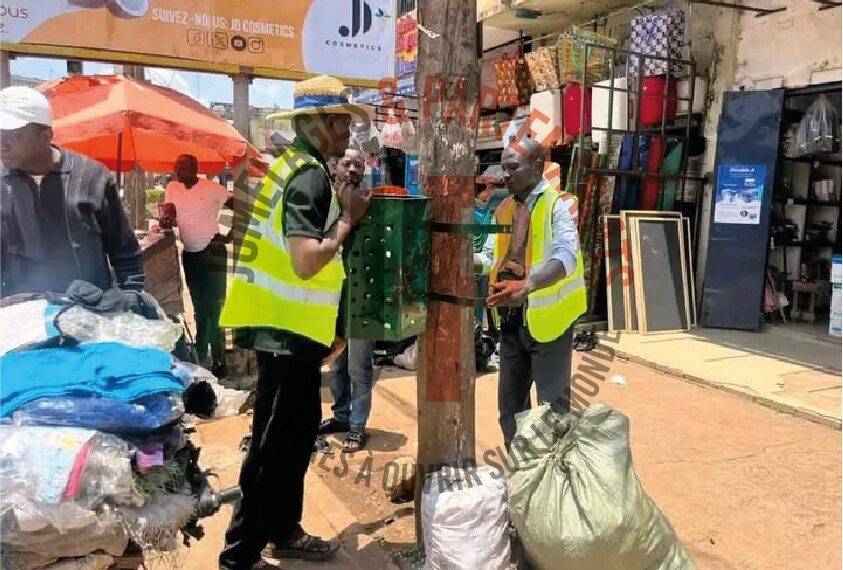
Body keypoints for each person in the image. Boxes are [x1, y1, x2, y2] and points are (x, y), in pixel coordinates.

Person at [217, 75, 372, 570]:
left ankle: (283, 530)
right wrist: (348, 219)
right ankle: (240, 555)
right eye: (339, 120)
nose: (347, 129)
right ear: (314, 124)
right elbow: (306, 260)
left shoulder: (294, 167)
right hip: (286, 332)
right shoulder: (307, 176)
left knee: (295, 435)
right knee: (274, 446)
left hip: (292, 331)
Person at [476, 136, 587, 449]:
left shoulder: (559, 205)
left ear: (538, 166)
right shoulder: (504, 209)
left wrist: (526, 286)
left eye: (513, 167)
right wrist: (459, 259)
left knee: (552, 412)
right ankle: (521, 468)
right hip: (512, 321)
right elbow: (490, 257)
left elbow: (566, 257)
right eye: (503, 168)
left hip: (550, 322)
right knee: (510, 410)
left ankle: (553, 473)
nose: (505, 175)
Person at [0, 86, 144, 297]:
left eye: (14, 135)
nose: (3, 145)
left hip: (90, 309)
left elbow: (125, 252)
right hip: (22, 312)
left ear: (46, 136)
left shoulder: (93, 177)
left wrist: (132, 300)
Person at [319, 148, 376, 453]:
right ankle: (341, 415)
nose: (352, 169)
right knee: (335, 364)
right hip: (332, 297)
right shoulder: (327, 202)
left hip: (361, 296)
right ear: (335, 166)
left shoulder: (369, 202)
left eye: (358, 164)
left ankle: (357, 425)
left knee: (358, 366)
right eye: (347, 163)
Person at [164, 154, 232, 377]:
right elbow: (169, 211)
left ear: (194, 169)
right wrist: (166, 220)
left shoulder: (213, 189)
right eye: (176, 168)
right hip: (191, 254)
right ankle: (203, 353)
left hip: (213, 252)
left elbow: (242, 207)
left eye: (181, 168)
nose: (177, 172)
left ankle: (218, 359)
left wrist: (229, 236)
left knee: (215, 308)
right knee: (199, 306)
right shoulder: (173, 188)